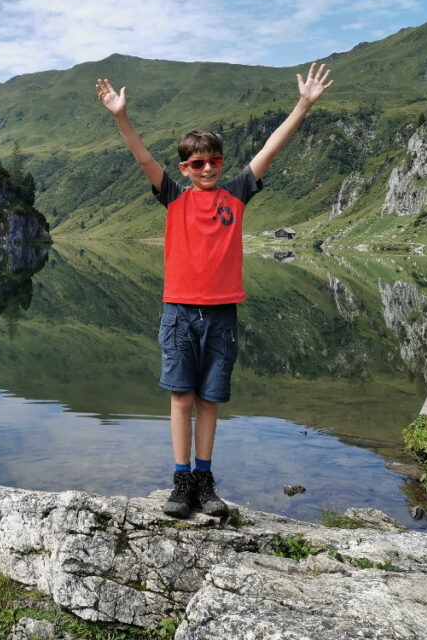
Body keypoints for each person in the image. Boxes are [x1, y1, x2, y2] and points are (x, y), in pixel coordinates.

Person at [95, 63, 334, 518]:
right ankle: (181, 483)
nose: (207, 169)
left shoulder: (238, 193)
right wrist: (120, 118)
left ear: (222, 163)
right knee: (181, 397)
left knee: (209, 400)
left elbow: (270, 147)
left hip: (222, 314)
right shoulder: (174, 196)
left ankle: (205, 483)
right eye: (197, 163)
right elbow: (143, 157)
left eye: (214, 161)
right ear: (185, 169)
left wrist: (303, 105)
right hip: (180, 313)